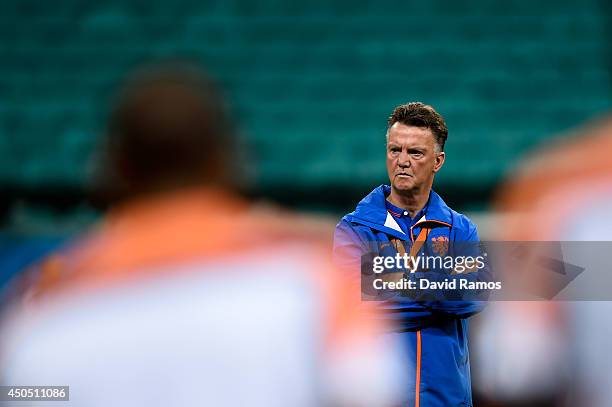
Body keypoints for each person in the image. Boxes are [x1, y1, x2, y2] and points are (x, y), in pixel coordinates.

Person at [0, 63, 407, 407]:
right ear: (230, 159)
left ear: (112, 168)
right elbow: (368, 388)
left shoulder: (38, 315)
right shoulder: (313, 285)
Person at [334, 102, 487, 407]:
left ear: (437, 161)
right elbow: (358, 305)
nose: (402, 161)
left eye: (415, 153)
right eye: (395, 150)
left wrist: (393, 278)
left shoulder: (460, 228)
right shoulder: (353, 228)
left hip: (447, 400)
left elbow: (474, 294)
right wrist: (440, 282)